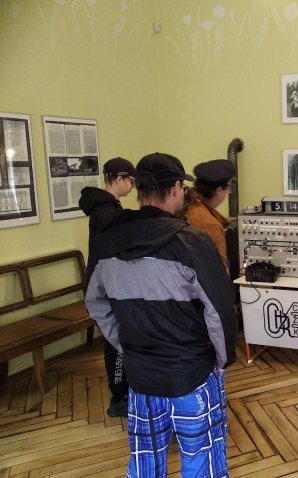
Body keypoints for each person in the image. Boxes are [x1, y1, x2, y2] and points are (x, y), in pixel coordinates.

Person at [84, 152, 237, 477]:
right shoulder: (192, 243)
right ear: (178, 188)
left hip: (142, 376)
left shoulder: (108, 243)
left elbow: (95, 303)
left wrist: (126, 344)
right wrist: (222, 360)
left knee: (145, 461)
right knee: (202, 460)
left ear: (139, 191)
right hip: (192, 375)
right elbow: (220, 310)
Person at [78, 156, 135, 417]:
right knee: (116, 341)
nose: (132, 186)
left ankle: (122, 391)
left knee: (116, 338)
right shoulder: (106, 212)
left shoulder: (107, 207)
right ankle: (119, 398)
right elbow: (109, 254)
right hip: (104, 287)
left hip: (104, 284)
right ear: (119, 179)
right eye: (131, 181)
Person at [178, 159, 236, 275]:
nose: (227, 193)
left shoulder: (187, 206)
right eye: (228, 189)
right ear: (219, 190)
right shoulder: (210, 225)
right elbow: (218, 273)